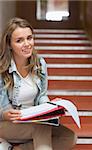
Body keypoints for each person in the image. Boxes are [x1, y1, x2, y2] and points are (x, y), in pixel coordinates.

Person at [0, 17, 77, 150]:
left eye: (29, 38)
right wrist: (4, 114)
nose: (27, 44)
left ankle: (17, 149)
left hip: (34, 120)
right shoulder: (2, 69)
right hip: (8, 124)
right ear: (9, 45)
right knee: (42, 128)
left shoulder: (40, 64)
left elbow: (42, 95)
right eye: (19, 40)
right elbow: (4, 109)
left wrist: (49, 108)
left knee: (69, 137)